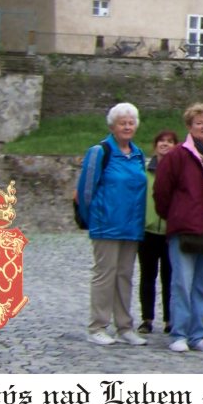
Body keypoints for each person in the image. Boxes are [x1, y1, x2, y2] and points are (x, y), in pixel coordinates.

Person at [153, 102, 203, 353]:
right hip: (185, 227)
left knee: (202, 285)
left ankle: (197, 334)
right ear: (189, 126)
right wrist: (177, 215)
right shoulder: (178, 156)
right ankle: (179, 333)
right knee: (182, 282)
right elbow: (162, 192)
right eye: (199, 122)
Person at [76, 102, 149, 346]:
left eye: (131, 123)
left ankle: (124, 326)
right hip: (106, 224)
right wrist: (92, 218)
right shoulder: (100, 152)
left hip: (131, 226)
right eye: (122, 123)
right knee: (104, 275)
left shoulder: (138, 154)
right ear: (113, 126)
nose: (127, 127)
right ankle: (98, 325)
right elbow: (86, 189)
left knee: (125, 276)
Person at [138, 129, 177, 334]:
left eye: (170, 141)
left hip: (170, 231)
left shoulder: (176, 171)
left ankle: (169, 318)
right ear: (155, 146)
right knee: (147, 276)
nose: (165, 144)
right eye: (161, 141)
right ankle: (147, 318)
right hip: (148, 230)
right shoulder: (145, 171)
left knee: (169, 277)